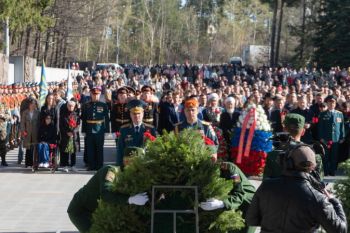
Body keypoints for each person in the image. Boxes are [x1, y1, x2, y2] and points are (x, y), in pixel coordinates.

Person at [246, 145, 347, 233]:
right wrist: (334, 201)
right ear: (312, 169)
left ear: (287, 163)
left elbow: (251, 219)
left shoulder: (266, 186)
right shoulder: (318, 199)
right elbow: (340, 230)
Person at [67, 153, 149, 233]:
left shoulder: (127, 177)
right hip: (81, 211)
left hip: (96, 211)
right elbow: (106, 195)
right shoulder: (111, 171)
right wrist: (130, 199)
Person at [263, 113, 324, 180]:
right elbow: (319, 184)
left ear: (284, 129)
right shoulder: (314, 156)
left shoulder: (273, 155)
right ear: (303, 132)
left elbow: (266, 183)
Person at [116, 99, 157, 166]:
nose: (136, 116)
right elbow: (120, 150)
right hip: (128, 165)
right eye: (134, 113)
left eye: (139, 113)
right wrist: (119, 167)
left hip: (145, 165)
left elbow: (154, 149)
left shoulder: (150, 129)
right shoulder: (124, 130)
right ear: (130, 114)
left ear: (143, 114)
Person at [81, 86, 110, 171]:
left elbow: (106, 119)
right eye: (94, 94)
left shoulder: (103, 105)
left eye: (97, 94)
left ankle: (99, 165)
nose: (95, 96)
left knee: (99, 148)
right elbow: (84, 119)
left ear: (100, 94)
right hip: (89, 129)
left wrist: (107, 130)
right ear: (91, 94)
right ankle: (91, 165)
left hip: (99, 129)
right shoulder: (86, 105)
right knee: (90, 148)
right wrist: (83, 130)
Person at [318, 95, 345, 176]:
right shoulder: (323, 114)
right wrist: (321, 138)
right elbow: (320, 127)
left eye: (333, 102)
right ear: (327, 103)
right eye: (329, 102)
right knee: (326, 156)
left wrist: (342, 137)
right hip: (326, 139)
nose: (331, 104)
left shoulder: (339, 114)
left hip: (336, 139)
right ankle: (326, 171)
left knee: (334, 156)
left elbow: (341, 126)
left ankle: (332, 171)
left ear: (335, 103)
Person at [59, 100, 80, 172]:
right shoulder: (63, 115)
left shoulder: (76, 115)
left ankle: (73, 165)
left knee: (73, 150)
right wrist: (67, 132)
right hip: (65, 135)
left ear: (74, 107)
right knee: (66, 150)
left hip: (74, 136)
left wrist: (73, 132)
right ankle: (65, 165)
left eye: (72, 106)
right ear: (67, 106)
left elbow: (78, 125)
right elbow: (61, 126)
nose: (71, 107)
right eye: (69, 106)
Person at [20, 98, 40, 168]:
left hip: (35, 132)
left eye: (34, 104)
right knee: (28, 148)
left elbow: (39, 123)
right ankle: (28, 163)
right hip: (27, 132)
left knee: (34, 148)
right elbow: (22, 123)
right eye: (32, 104)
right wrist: (23, 131)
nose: (33, 105)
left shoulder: (37, 112)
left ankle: (34, 163)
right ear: (29, 105)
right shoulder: (25, 112)